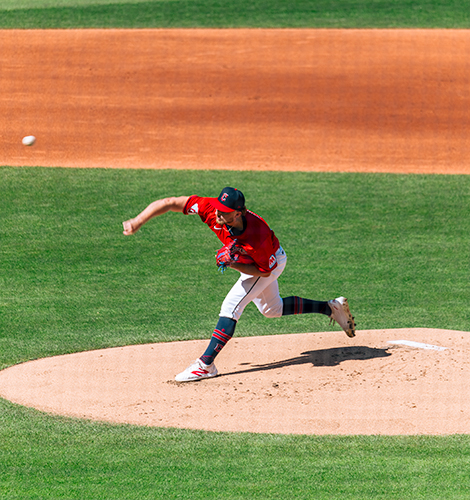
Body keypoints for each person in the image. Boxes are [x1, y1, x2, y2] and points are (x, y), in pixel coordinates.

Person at [123, 187, 356, 382]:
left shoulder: (257, 237)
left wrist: (233, 263)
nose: (217, 214)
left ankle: (205, 365)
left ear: (239, 213)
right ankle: (330, 307)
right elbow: (170, 202)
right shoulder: (211, 208)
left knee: (231, 307)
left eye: (224, 213)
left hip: (268, 262)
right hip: (258, 261)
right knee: (271, 310)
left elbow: (262, 271)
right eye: (218, 209)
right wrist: (138, 221)